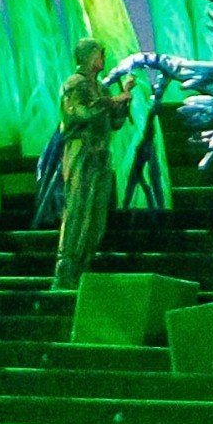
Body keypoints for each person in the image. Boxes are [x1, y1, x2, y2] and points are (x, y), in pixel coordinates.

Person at [47, 39, 133, 292]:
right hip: (81, 152)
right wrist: (110, 102)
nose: (102, 58)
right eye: (98, 53)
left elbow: (115, 123)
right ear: (86, 57)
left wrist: (123, 99)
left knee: (97, 214)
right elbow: (79, 114)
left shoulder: (102, 88)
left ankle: (84, 265)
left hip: (101, 156)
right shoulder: (75, 85)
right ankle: (65, 267)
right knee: (77, 209)